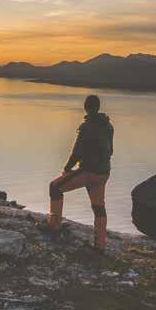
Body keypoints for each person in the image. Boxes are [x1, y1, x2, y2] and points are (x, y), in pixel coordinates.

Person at [41, 94, 113, 251]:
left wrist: (67, 168)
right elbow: (110, 151)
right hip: (103, 173)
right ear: (98, 107)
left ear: (86, 107)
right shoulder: (109, 126)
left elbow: (77, 152)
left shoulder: (86, 127)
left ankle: (54, 226)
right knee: (99, 207)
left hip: (89, 172)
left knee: (55, 187)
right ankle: (100, 245)